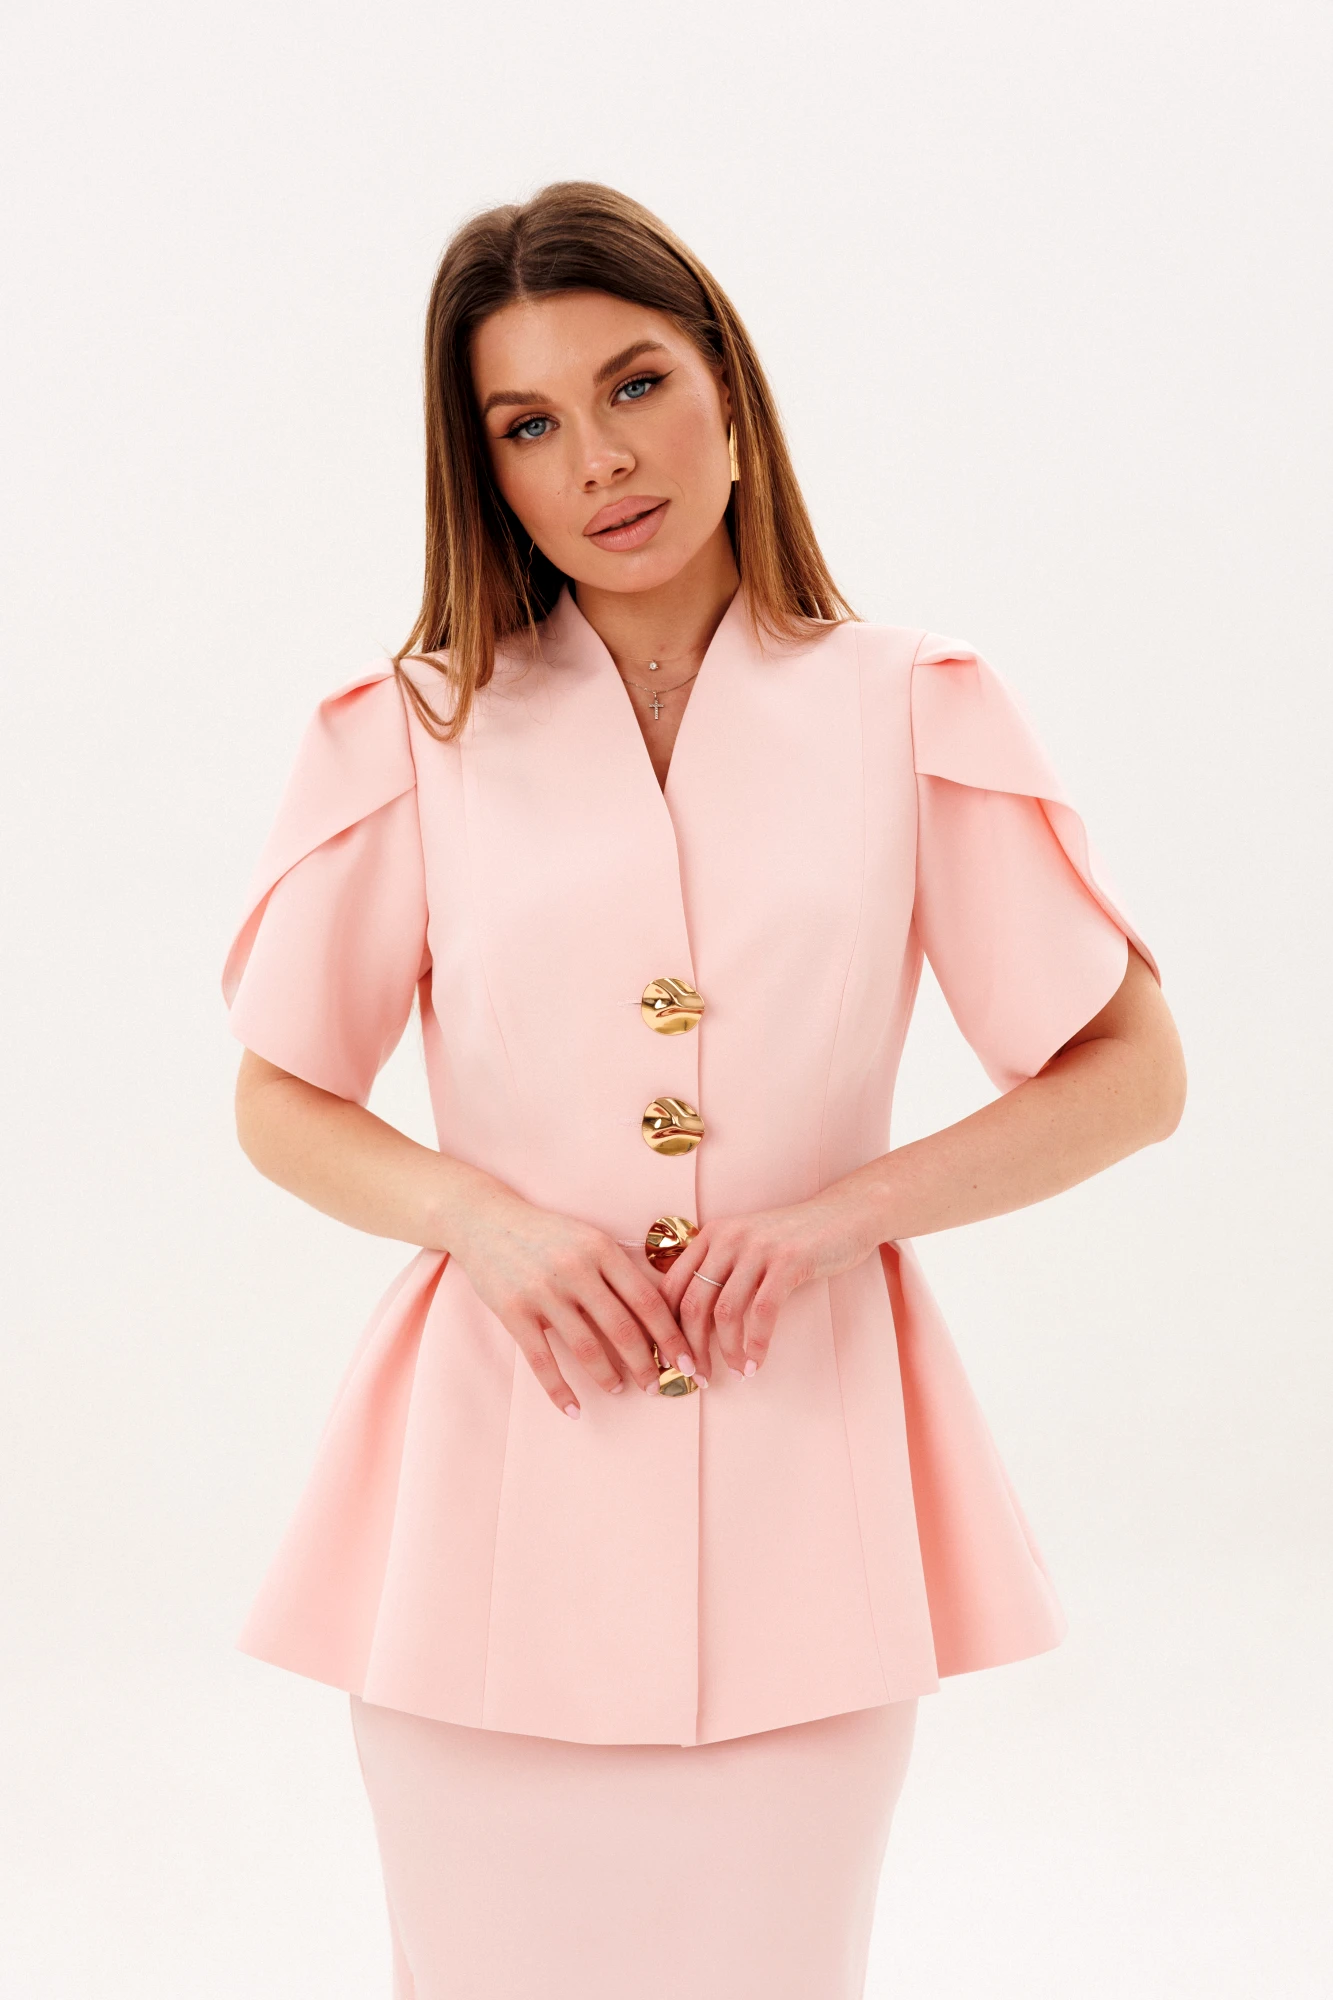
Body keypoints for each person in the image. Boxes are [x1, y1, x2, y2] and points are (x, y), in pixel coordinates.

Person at [222, 181, 1185, 2000]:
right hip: (490, 1497)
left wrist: (837, 1222)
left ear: (729, 391)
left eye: (636, 384)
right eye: (528, 425)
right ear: (486, 475)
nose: (599, 459)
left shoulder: (915, 704)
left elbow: (1133, 1074)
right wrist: (478, 1221)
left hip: (803, 1492)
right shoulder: (417, 728)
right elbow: (280, 1095)